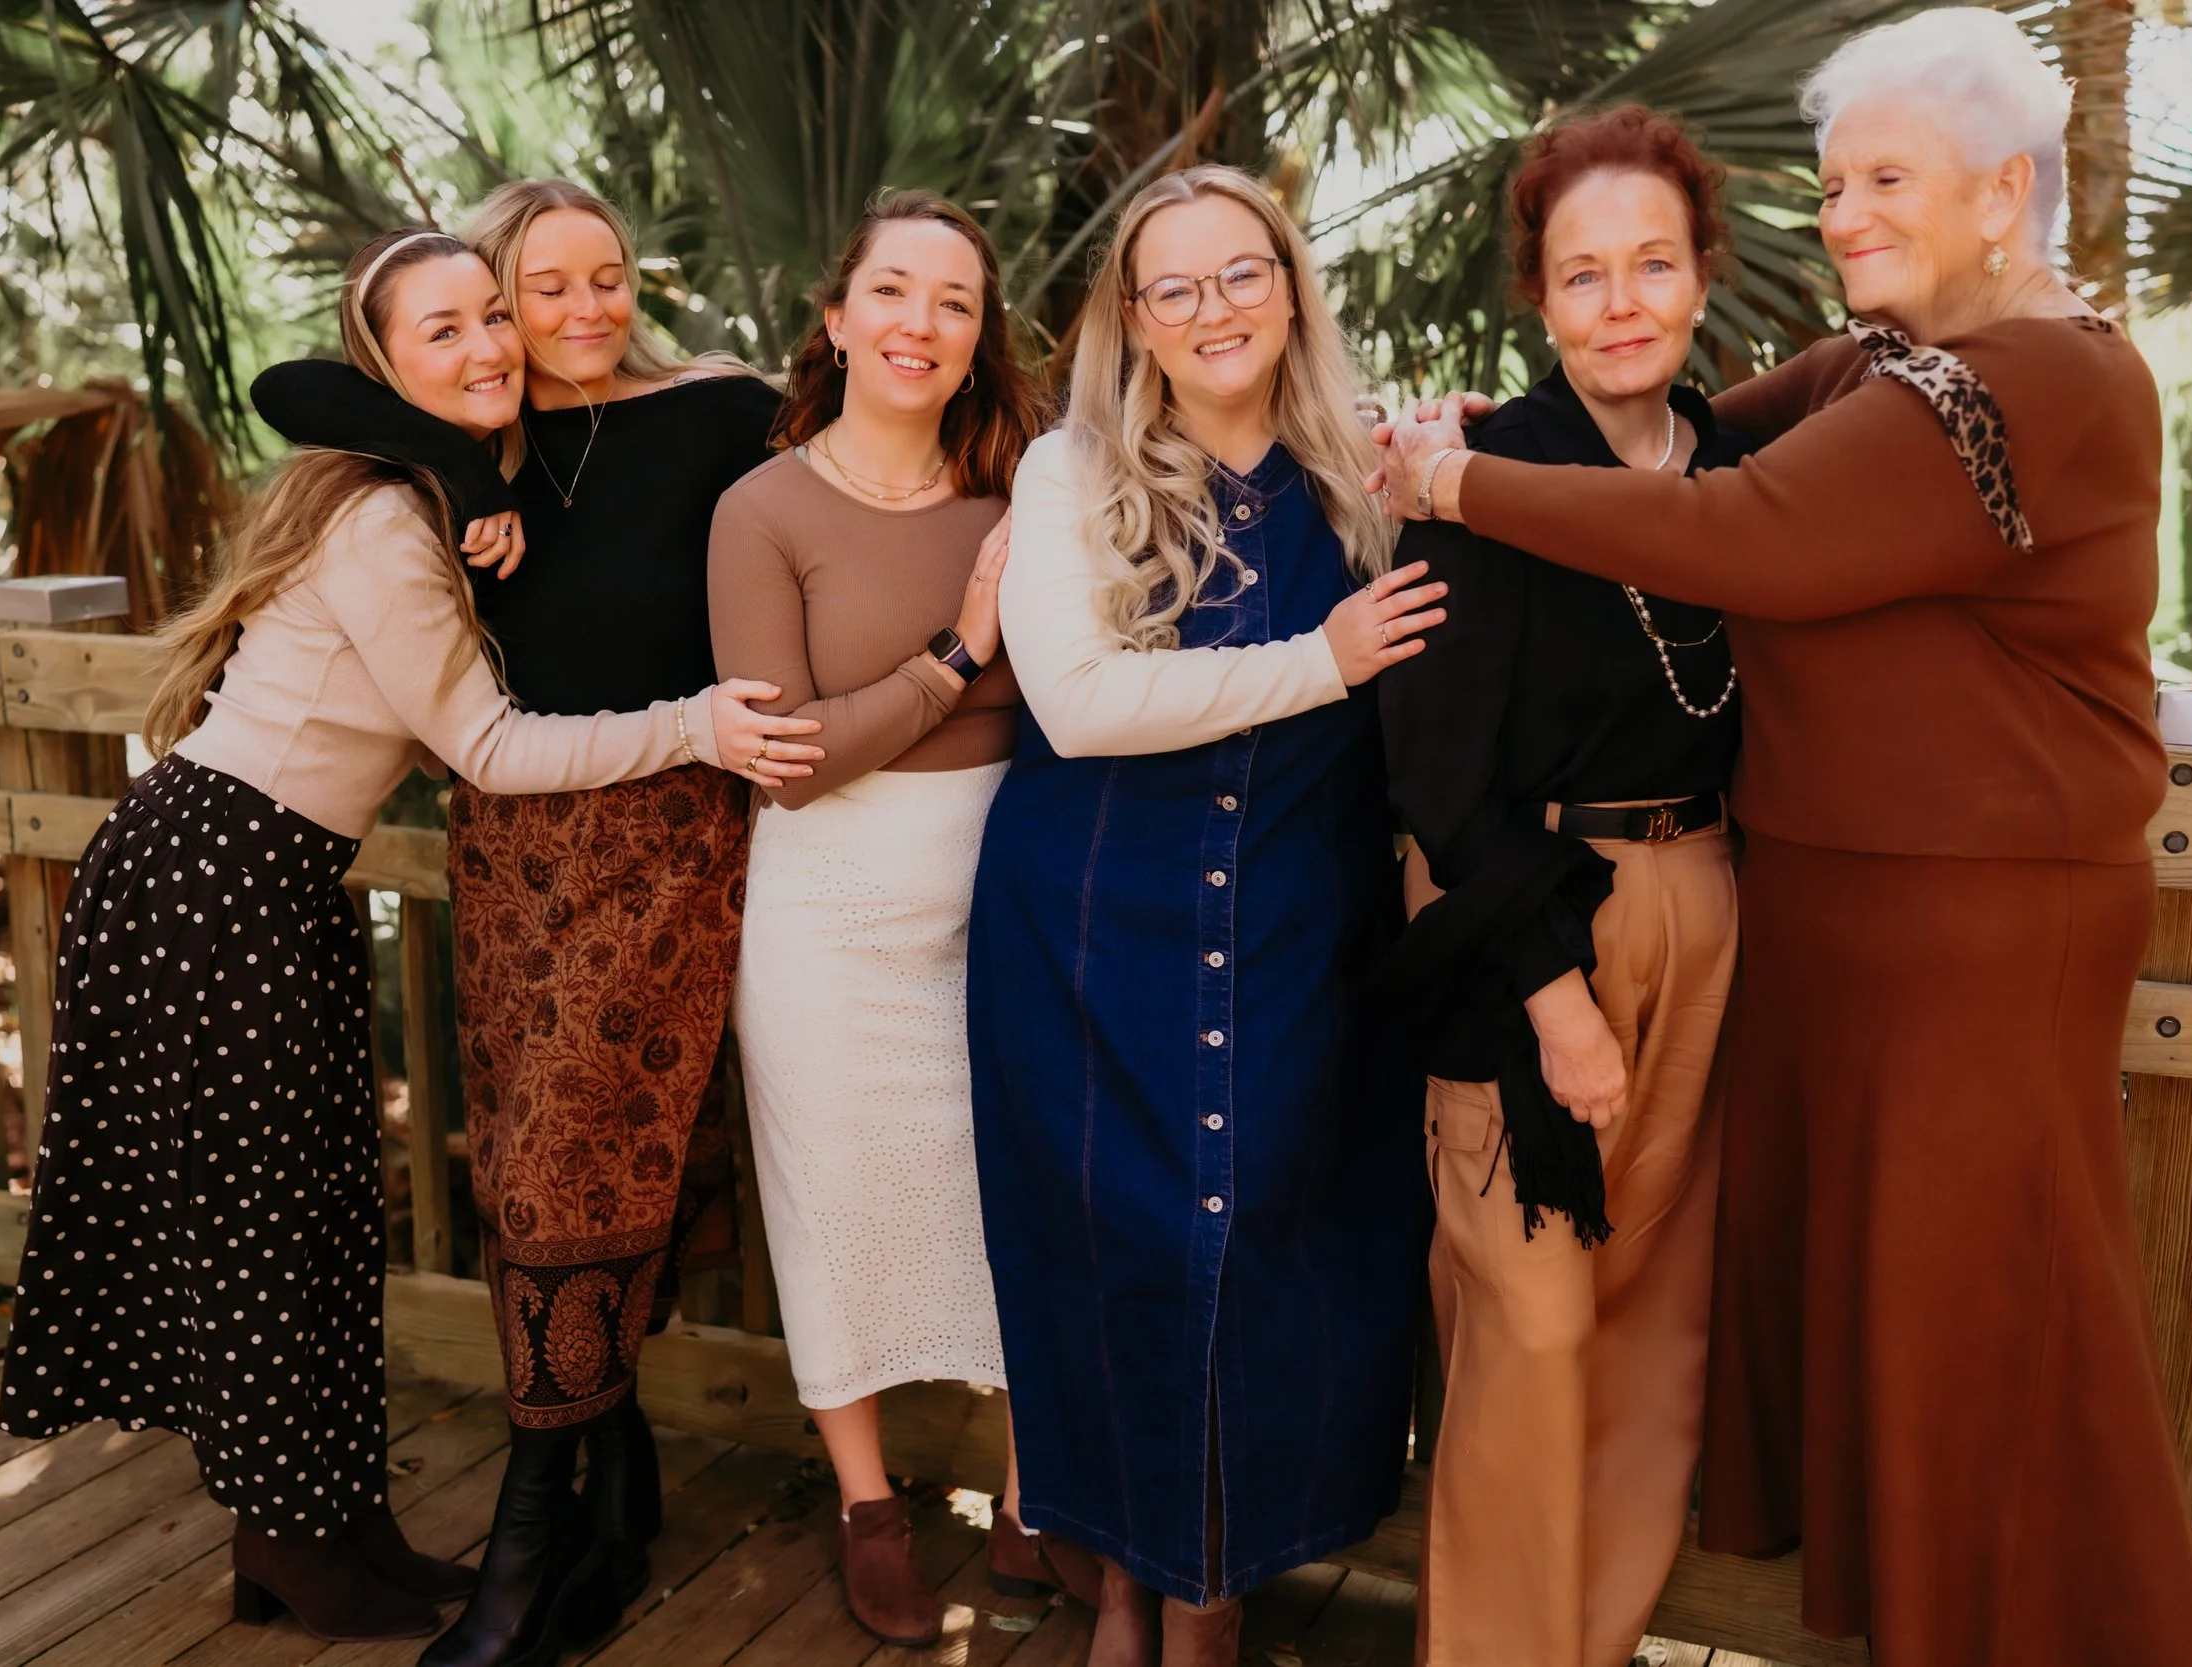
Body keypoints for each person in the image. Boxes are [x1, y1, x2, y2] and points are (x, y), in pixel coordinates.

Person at [1375, 12, 2192, 1665]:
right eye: (1832, 185)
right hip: (1838, 930)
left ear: (2006, 192)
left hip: (1983, 934)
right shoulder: (1897, 361)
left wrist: (1463, 484)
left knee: (1996, 1327)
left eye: (1886, 179)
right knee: (1906, 1339)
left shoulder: (2040, 379)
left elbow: (1740, 525)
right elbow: (1697, 434)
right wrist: (1524, 432)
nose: (1842, 216)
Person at [0, 228, 802, 1646]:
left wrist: (455, 475)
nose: (496, 343)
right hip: (215, 872)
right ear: (389, 366)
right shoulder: (381, 513)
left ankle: (328, 1530)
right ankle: (295, 1552)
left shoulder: (421, 491)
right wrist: (697, 721)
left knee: (310, 1215)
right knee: (266, 1226)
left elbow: (336, 395)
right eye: (450, 329)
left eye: (497, 315)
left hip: (260, 873)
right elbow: (484, 746)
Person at [249, 180, 822, 1667]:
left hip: (667, 834)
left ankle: (525, 1544)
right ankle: (611, 1491)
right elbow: (297, 381)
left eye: (608, 279)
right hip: (512, 853)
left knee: (586, 1158)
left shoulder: (715, 409)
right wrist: (461, 457)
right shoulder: (464, 452)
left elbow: (881, 453)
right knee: (528, 1169)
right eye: (533, 289)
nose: (578, 314)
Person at [968, 164, 1443, 1667]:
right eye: (1173, 286)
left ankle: (1215, 1594)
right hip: (1094, 931)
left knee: (1266, 1253)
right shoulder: (1070, 474)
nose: (1213, 307)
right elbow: (1083, 704)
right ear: (1133, 316)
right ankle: (1126, 1578)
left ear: (1291, 285)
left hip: (1302, 927)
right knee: (1114, 1252)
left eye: (1241, 273)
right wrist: (1329, 657)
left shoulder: (1370, 476)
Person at [1375, 104, 1748, 1667]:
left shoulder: (1738, 464)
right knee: (1531, 1326)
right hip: (1521, 913)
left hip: (1709, 900)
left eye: (1650, 265)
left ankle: (1588, 1647)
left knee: (1649, 1321)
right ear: (1538, 298)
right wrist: (1553, 998)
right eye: (1582, 274)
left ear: (1702, 279)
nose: (1619, 303)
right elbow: (1438, 777)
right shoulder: (1482, 474)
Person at [708, 189, 1075, 1646]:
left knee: (1015, 1193)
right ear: (839, 316)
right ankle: (868, 1505)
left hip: (1006, 897)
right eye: (897, 294)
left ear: (980, 337)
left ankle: (1034, 1491)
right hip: (831, 914)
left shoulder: (1029, 489)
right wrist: (955, 653)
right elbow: (789, 761)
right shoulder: (764, 509)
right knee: (839, 1203)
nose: (923, 324)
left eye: (956, 303)